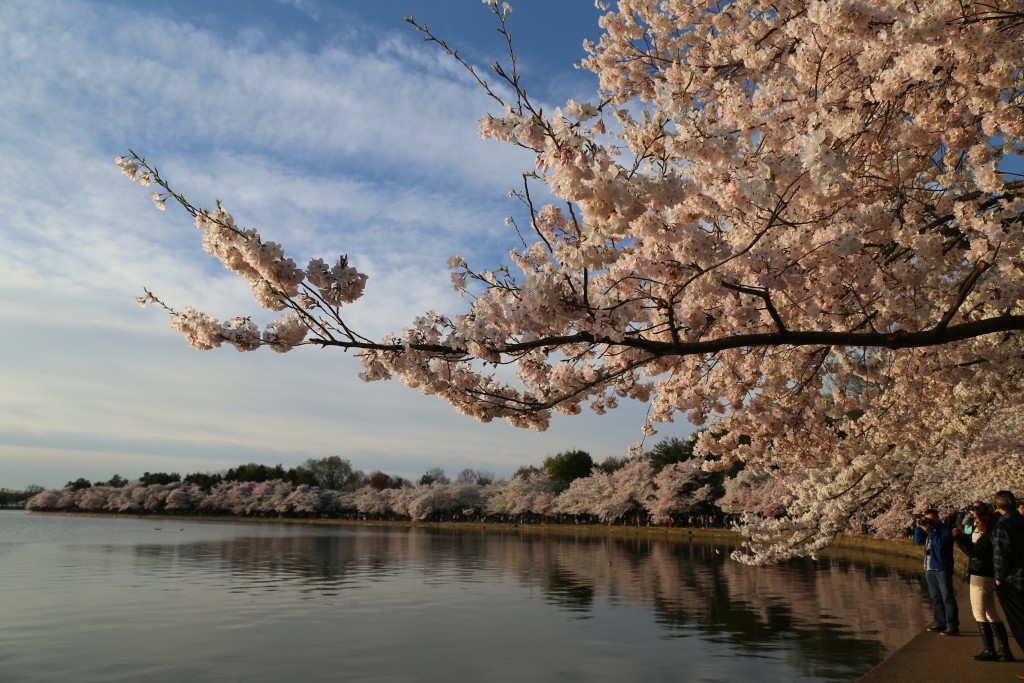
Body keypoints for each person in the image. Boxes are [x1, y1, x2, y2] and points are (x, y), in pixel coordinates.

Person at [952, 504, 1015, 661]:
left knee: (979, 613)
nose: (976, 524)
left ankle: (989, 650)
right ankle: (1004, 650)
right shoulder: (992, 536)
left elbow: (973, 553)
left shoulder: (986, 538)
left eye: (978, 522)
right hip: (989, 577)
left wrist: (959, 538)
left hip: (980, 577)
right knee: (991, 613)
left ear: (985, 523)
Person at [992, 491, 1024, 679]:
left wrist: (998, 576)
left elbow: (1001, 553)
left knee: (1019, 622)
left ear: (997, 506)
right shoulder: (1021, 520)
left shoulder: (1003, 525)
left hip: (1012, 580)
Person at [914, 508, 959, 635]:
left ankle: (952, 626)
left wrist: (928, 530)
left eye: (930, 519)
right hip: (929, 566)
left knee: (947, 597)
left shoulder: (945, 530)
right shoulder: (928, 531)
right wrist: (918, 528)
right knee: (935, 598)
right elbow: (918, 542)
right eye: (926, 519)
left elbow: (939, 545)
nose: (928, 521)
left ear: (937, 518)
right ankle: (940, 622)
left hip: (942, 567)